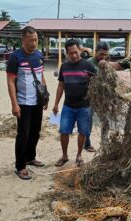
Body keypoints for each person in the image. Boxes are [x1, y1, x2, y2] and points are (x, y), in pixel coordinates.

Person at [6, 26, 47, 180]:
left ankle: (31, 157)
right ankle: (20, 166)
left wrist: (45, 96)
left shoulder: (38, 54)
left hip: (37, 102)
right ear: (23, 40)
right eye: (30, 41)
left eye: (36, 40)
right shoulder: (15, 57)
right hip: (23, 102)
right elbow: (10, 82)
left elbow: (41, 76)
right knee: (23, 134)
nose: (34, 43)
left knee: (35, 132)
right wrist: (14, 104)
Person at [53, 39, 96, 167]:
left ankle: (79, 155)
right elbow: (61, 85)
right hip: (68, 106)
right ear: (66, 53)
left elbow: (97, 84)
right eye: (70, 53)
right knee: (64, 131)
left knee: (82, 132)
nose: (74, 55)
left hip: (84, 107)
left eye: (76, 52)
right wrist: (56, 104)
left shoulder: (88, 66)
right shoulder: (64, 66)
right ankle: (65, 155)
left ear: (80, 50)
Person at [86, 41, 110, 145]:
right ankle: (86, 143)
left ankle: (104, 143)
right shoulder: (88, 63)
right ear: (95, 52)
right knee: (88, 122)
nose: (103, 56)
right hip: (90, 97)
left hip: (102, 97)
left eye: (105, 54)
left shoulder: (106, 63)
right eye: (101, 54)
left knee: (105, 121)